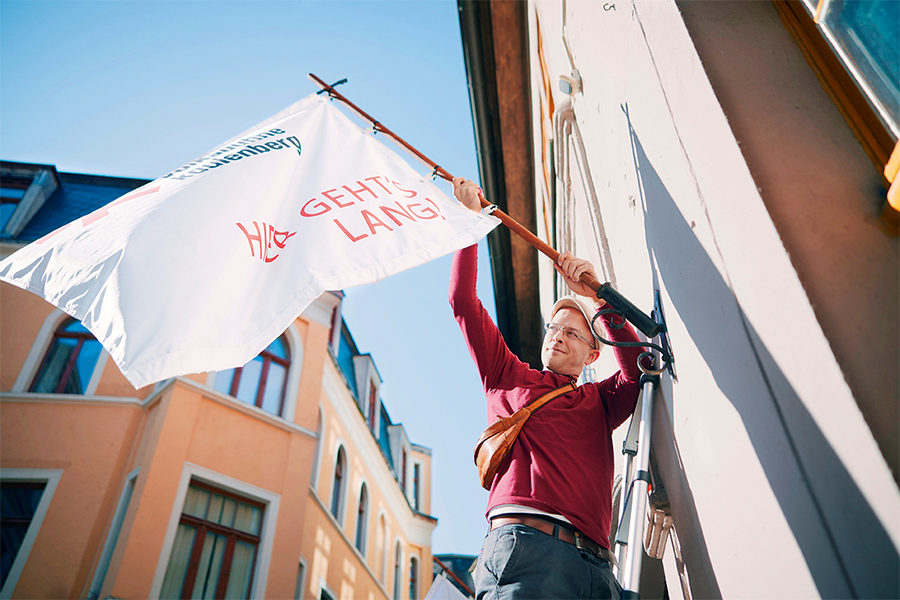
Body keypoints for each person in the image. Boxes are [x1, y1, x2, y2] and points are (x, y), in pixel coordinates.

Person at [450, 177, 646, 599]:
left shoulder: (600, 401)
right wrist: (469, 226)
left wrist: (596, 297)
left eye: (573, 333)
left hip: (598, 569)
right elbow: (463, 302)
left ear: (594, 354)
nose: (557, 335)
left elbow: (637, 368)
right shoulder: (507, 376)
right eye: (554, 327)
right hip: (528, 550)